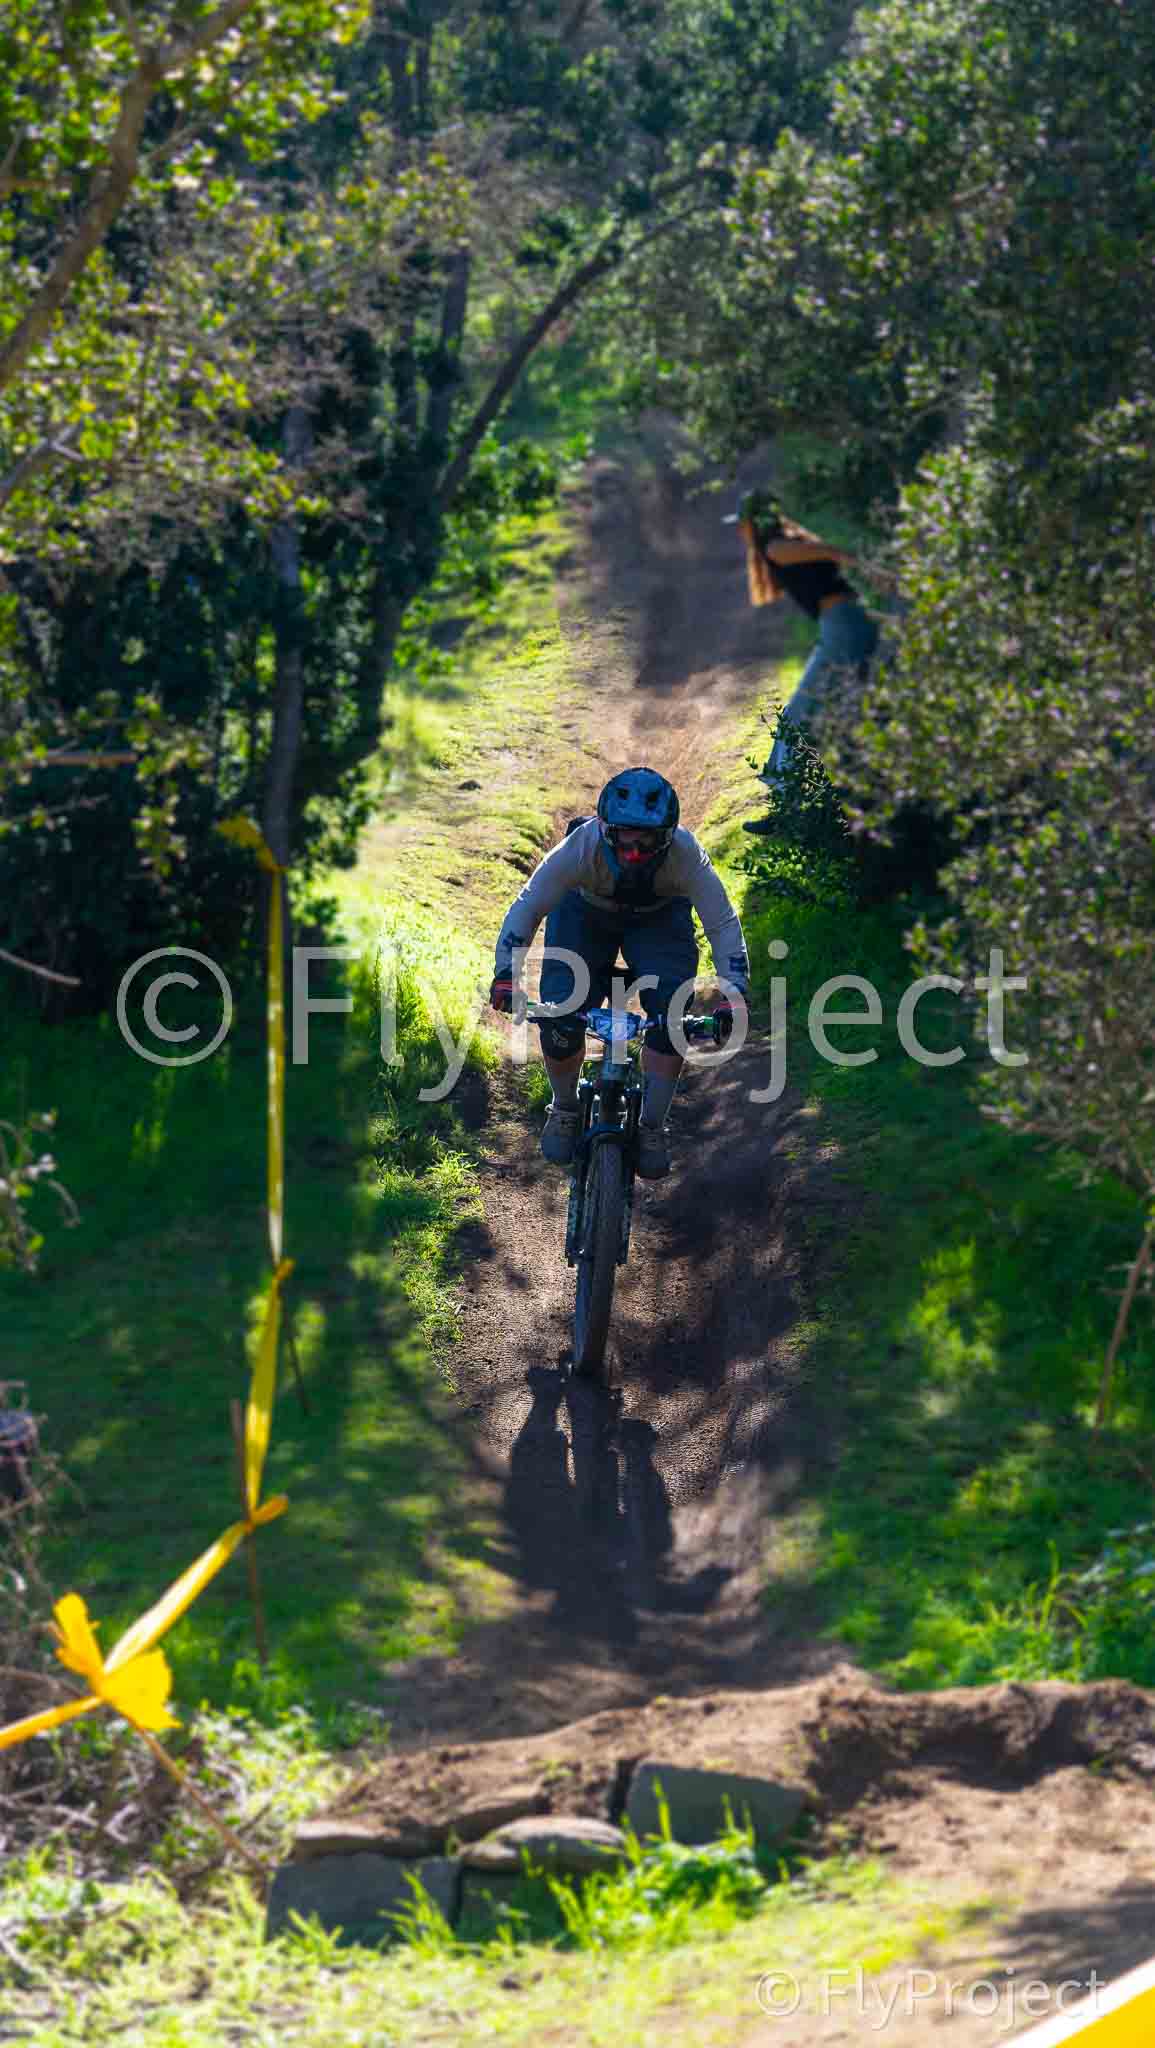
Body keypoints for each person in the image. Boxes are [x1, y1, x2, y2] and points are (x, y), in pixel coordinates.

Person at [488, 768, 749, 1180]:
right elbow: (530, 906)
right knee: (560, 1014)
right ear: (606, 828)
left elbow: (722, 925)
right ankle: (565, 1107)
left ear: (667, 836)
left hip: (660, 920)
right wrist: (506, 974)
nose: (633, 851)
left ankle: (651, 1127)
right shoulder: (582, 845)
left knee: (672, 1017)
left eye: (646, 841)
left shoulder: (686, 854)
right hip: (583, 914)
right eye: (624, 838)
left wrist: (735, 994)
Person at [731, 487, 880, 833]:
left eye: (743, 524)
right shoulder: (782, 544)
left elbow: (831, 551)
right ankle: (807, 808)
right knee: (819, 716)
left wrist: (866, 567)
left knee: (799, 717)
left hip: (844, 628)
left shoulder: (775, 547)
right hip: (843, 626)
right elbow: (826, 554)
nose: (740, 532)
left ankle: (789, 812)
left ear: (754, 523)